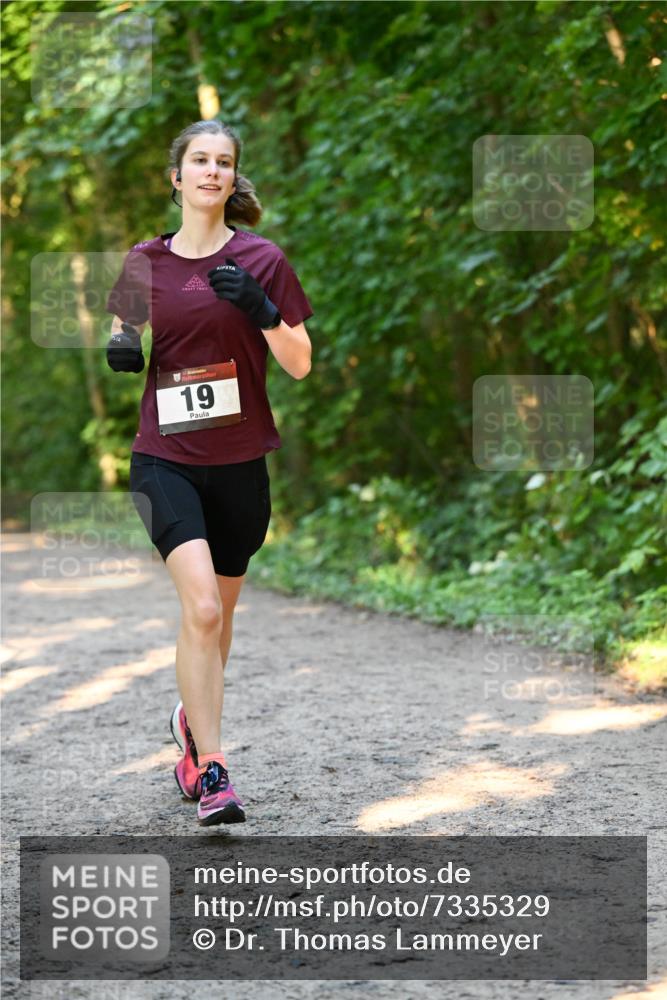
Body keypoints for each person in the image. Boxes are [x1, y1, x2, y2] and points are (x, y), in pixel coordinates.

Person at [105, 120, 313, 826]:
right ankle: (216, 774)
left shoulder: (262, 259)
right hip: (164, 457)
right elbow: (123, 324)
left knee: (218, 623)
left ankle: (191, 728)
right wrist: (123, 345)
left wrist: (260, 309)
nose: (211, 171)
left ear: (232, 178)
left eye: (223, 162)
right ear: (177, 176)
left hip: (240, 464)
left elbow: (300, 361)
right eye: (199, 160)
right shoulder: (145, 260)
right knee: (200, 608)